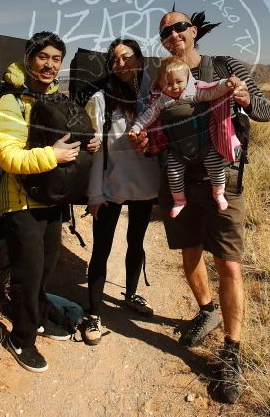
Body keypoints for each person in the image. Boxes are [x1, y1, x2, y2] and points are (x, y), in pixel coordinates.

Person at [132, 11, 270, 403]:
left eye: (179, 27)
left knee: (228, 263)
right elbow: (157, 133)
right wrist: (146, 144)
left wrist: (245, 97)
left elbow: (266, 110)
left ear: (193, 31)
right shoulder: (160, 81)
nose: (173, 33)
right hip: (178, 180)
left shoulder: (225, 67)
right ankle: (206, 310)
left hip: (221, 178)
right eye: (165, 31)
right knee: (189, 252)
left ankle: (232, 350)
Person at [0, 31, 99, 372]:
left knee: (46, 267)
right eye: (43, 57)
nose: (49, 65)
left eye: (56, 59)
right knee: (28, 273)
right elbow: (8, 158)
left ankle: (37, 316)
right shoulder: (10, 104)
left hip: (51, 200)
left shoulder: (58, 100)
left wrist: (88, 144)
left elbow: (71, 142)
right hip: (21, 203)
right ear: (28, 59)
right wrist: (52, 155)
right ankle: (21, 339)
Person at [81, 38, 160, 345]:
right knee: (101, 249)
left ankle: (131, 295)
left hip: (146, 185)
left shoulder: (156, 96)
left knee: (136, 242)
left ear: (140, 59)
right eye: (114, 60)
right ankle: (94, 313)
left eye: (127, 57)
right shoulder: (102, 100)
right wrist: (94, 195)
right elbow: (96, 153)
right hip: (110, 188)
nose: (121, 64)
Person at [129, 56, 239, 217]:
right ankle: (179, 201)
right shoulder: (161, 101)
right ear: (161, 84)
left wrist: (226, 84)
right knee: (173, 174)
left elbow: (213, 90)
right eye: (168, 84)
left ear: (188, 79)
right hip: (177, 151)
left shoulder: (195, 92)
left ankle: (218, 194)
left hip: (205, 145)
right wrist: (137, 127)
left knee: (215, 167)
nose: (174, 87)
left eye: (179, 82)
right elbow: (148, 116)